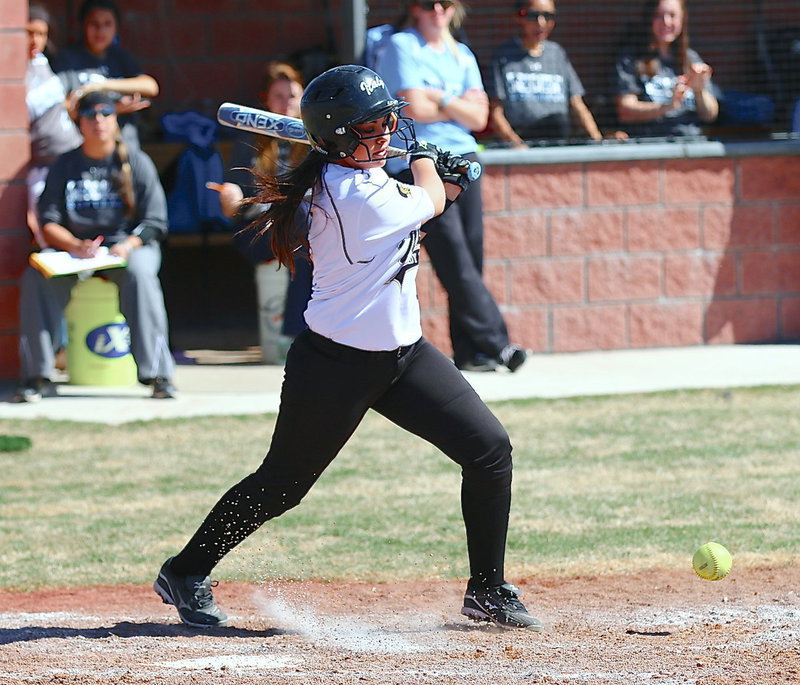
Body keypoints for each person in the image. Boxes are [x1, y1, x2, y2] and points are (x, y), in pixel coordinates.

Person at [153, 64, 543, 632]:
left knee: (489, 450)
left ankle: (487, 586)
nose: (385, 133)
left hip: (404, 358)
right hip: (335, 364)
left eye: (386, 121)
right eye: (370, 126)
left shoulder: (362, 180)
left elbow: (425, 202)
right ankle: (185, 571)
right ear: (336, 136)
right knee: (281, 486)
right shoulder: (353, 195)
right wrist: (434, 165)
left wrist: (445, 180)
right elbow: (426, 200)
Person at [375, 0, 527, 373]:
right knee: (453, 257)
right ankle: (499, 343)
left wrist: (437, 97)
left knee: (470, 257)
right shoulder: (401, 46)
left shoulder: (463, 53)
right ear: (415, 8)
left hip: (464, 159)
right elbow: (410, 107)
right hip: (420, 164)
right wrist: (454, 102)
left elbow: (478, 117)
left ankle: (472, 353)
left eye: (445, 3)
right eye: (429, 4)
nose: (438, 10)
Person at [14, 91, 176, 403]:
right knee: (35, 277)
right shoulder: (65, 164)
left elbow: (156, 222)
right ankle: (37, 376)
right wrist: (74, 245)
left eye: (106, 113)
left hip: (126, 249)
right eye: (90, 115)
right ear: (80, 123)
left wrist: (128, 246)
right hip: (76, 252)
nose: (98, 121)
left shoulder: (136, 161)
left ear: (116, 120)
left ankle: (158, 374)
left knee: (142, 275)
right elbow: (48, 221)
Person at [212, 61, 312, 338]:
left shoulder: (315, 138)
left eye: (292, 96)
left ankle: (302, 333)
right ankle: (298, 333)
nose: (286, 103)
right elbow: (236, 196)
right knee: (304, 227)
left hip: (303, 227)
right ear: (266, 101)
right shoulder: (251, 139)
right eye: (278, 96)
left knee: (307, 231)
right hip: (260, 229)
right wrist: (231, 197)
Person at [488, 0, 603, 145]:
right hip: (521, 139)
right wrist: (517, 146)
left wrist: (598, 141)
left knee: (558, 121)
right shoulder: (503, 55)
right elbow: (495, 112)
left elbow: (577, 105)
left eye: (548, 16)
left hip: (558, 141)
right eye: (532, 15)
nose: (541, 23)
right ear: (518, 17)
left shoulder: (557, 53)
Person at [52, 0, 159, 150]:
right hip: (83, 150)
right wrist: (113, 109)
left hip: (124, 147)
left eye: (107, 24)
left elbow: (150, 86)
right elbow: (66, 107)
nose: (100, 31)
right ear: (83, 26)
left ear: (116, 28)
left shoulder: (119, 57)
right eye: (94, 24)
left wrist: (102, 85)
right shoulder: (68, 60)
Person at [615, 0, 720, 138]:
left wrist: (699, 91)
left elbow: (710, 115)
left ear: (682, 19)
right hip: (653, 145)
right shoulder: (632, 59)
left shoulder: (690, 58)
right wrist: (669, 106)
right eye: (658, 15)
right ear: (649, 19)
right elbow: (625, 111)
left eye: (672, 15)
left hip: (692, 143)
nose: (666, 22)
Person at [26, 3, 83, 248]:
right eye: (28, 33)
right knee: (50, 238)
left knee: (82, 227)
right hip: (41, 167)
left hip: (72, 157)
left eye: (41, 33)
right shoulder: (9, 69)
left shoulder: (42, 62)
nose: (34, 40)